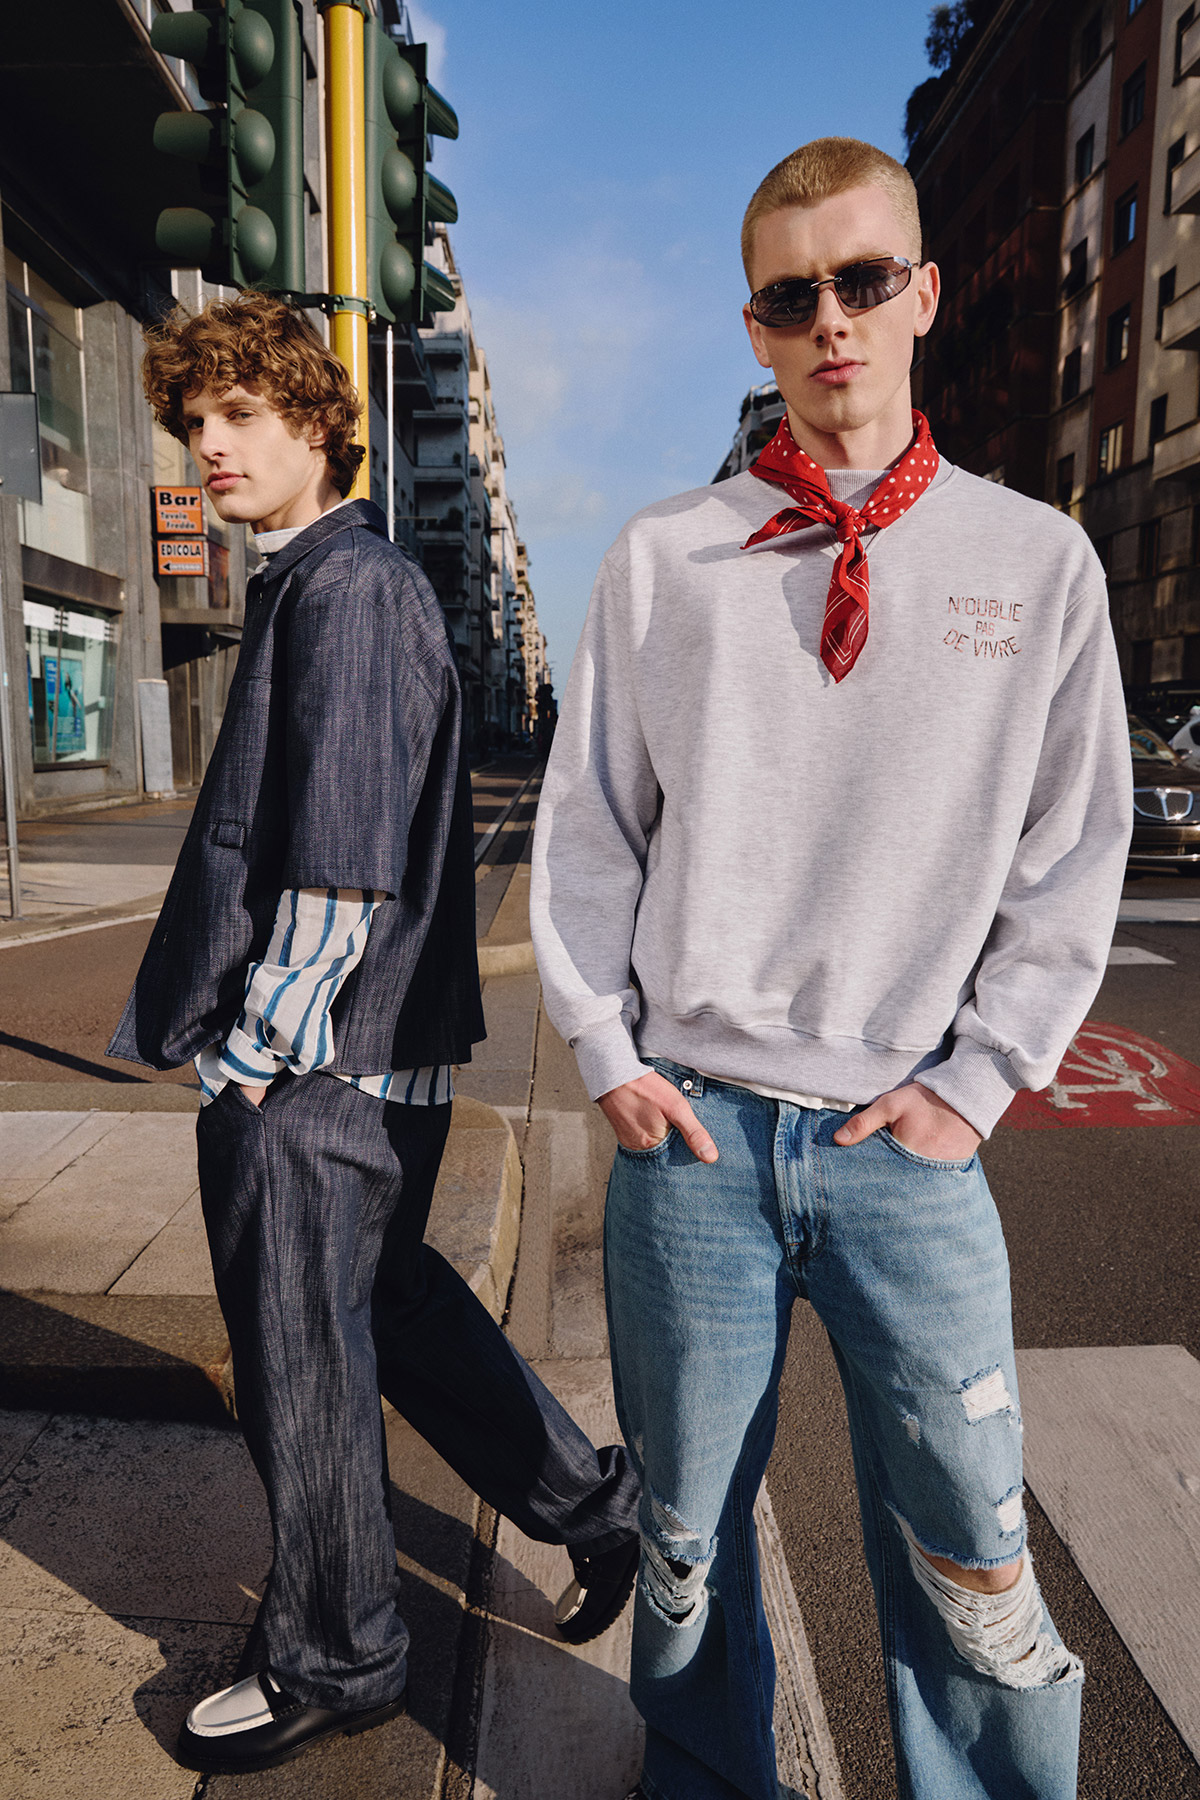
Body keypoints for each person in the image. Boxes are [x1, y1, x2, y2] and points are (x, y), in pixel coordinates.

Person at [530, 138, 1131, 1800]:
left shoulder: (1036, 563)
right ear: (756, 327)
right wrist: (604, 1049)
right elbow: (589, 828)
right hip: (698, 1143)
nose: (833, 322)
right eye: (795, 297)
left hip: (904, 1147)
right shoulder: (666, 560)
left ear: (923, 294)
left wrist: (982, 1077)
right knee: (683, 1539)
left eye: (865, 282)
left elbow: (1076, 843)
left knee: (971, 1545)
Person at [109, 292, 639, 1776]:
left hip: (320, 1069)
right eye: (193, 421)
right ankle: (600, 1514)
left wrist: (256, 1063)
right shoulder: (333, 586)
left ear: (318, 425)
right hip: (370, 1060)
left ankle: (338, 1655)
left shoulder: (346, 592)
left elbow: (338, 863)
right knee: (393, 1310)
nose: (207, 446)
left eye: (238, 417)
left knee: (305, 1360)